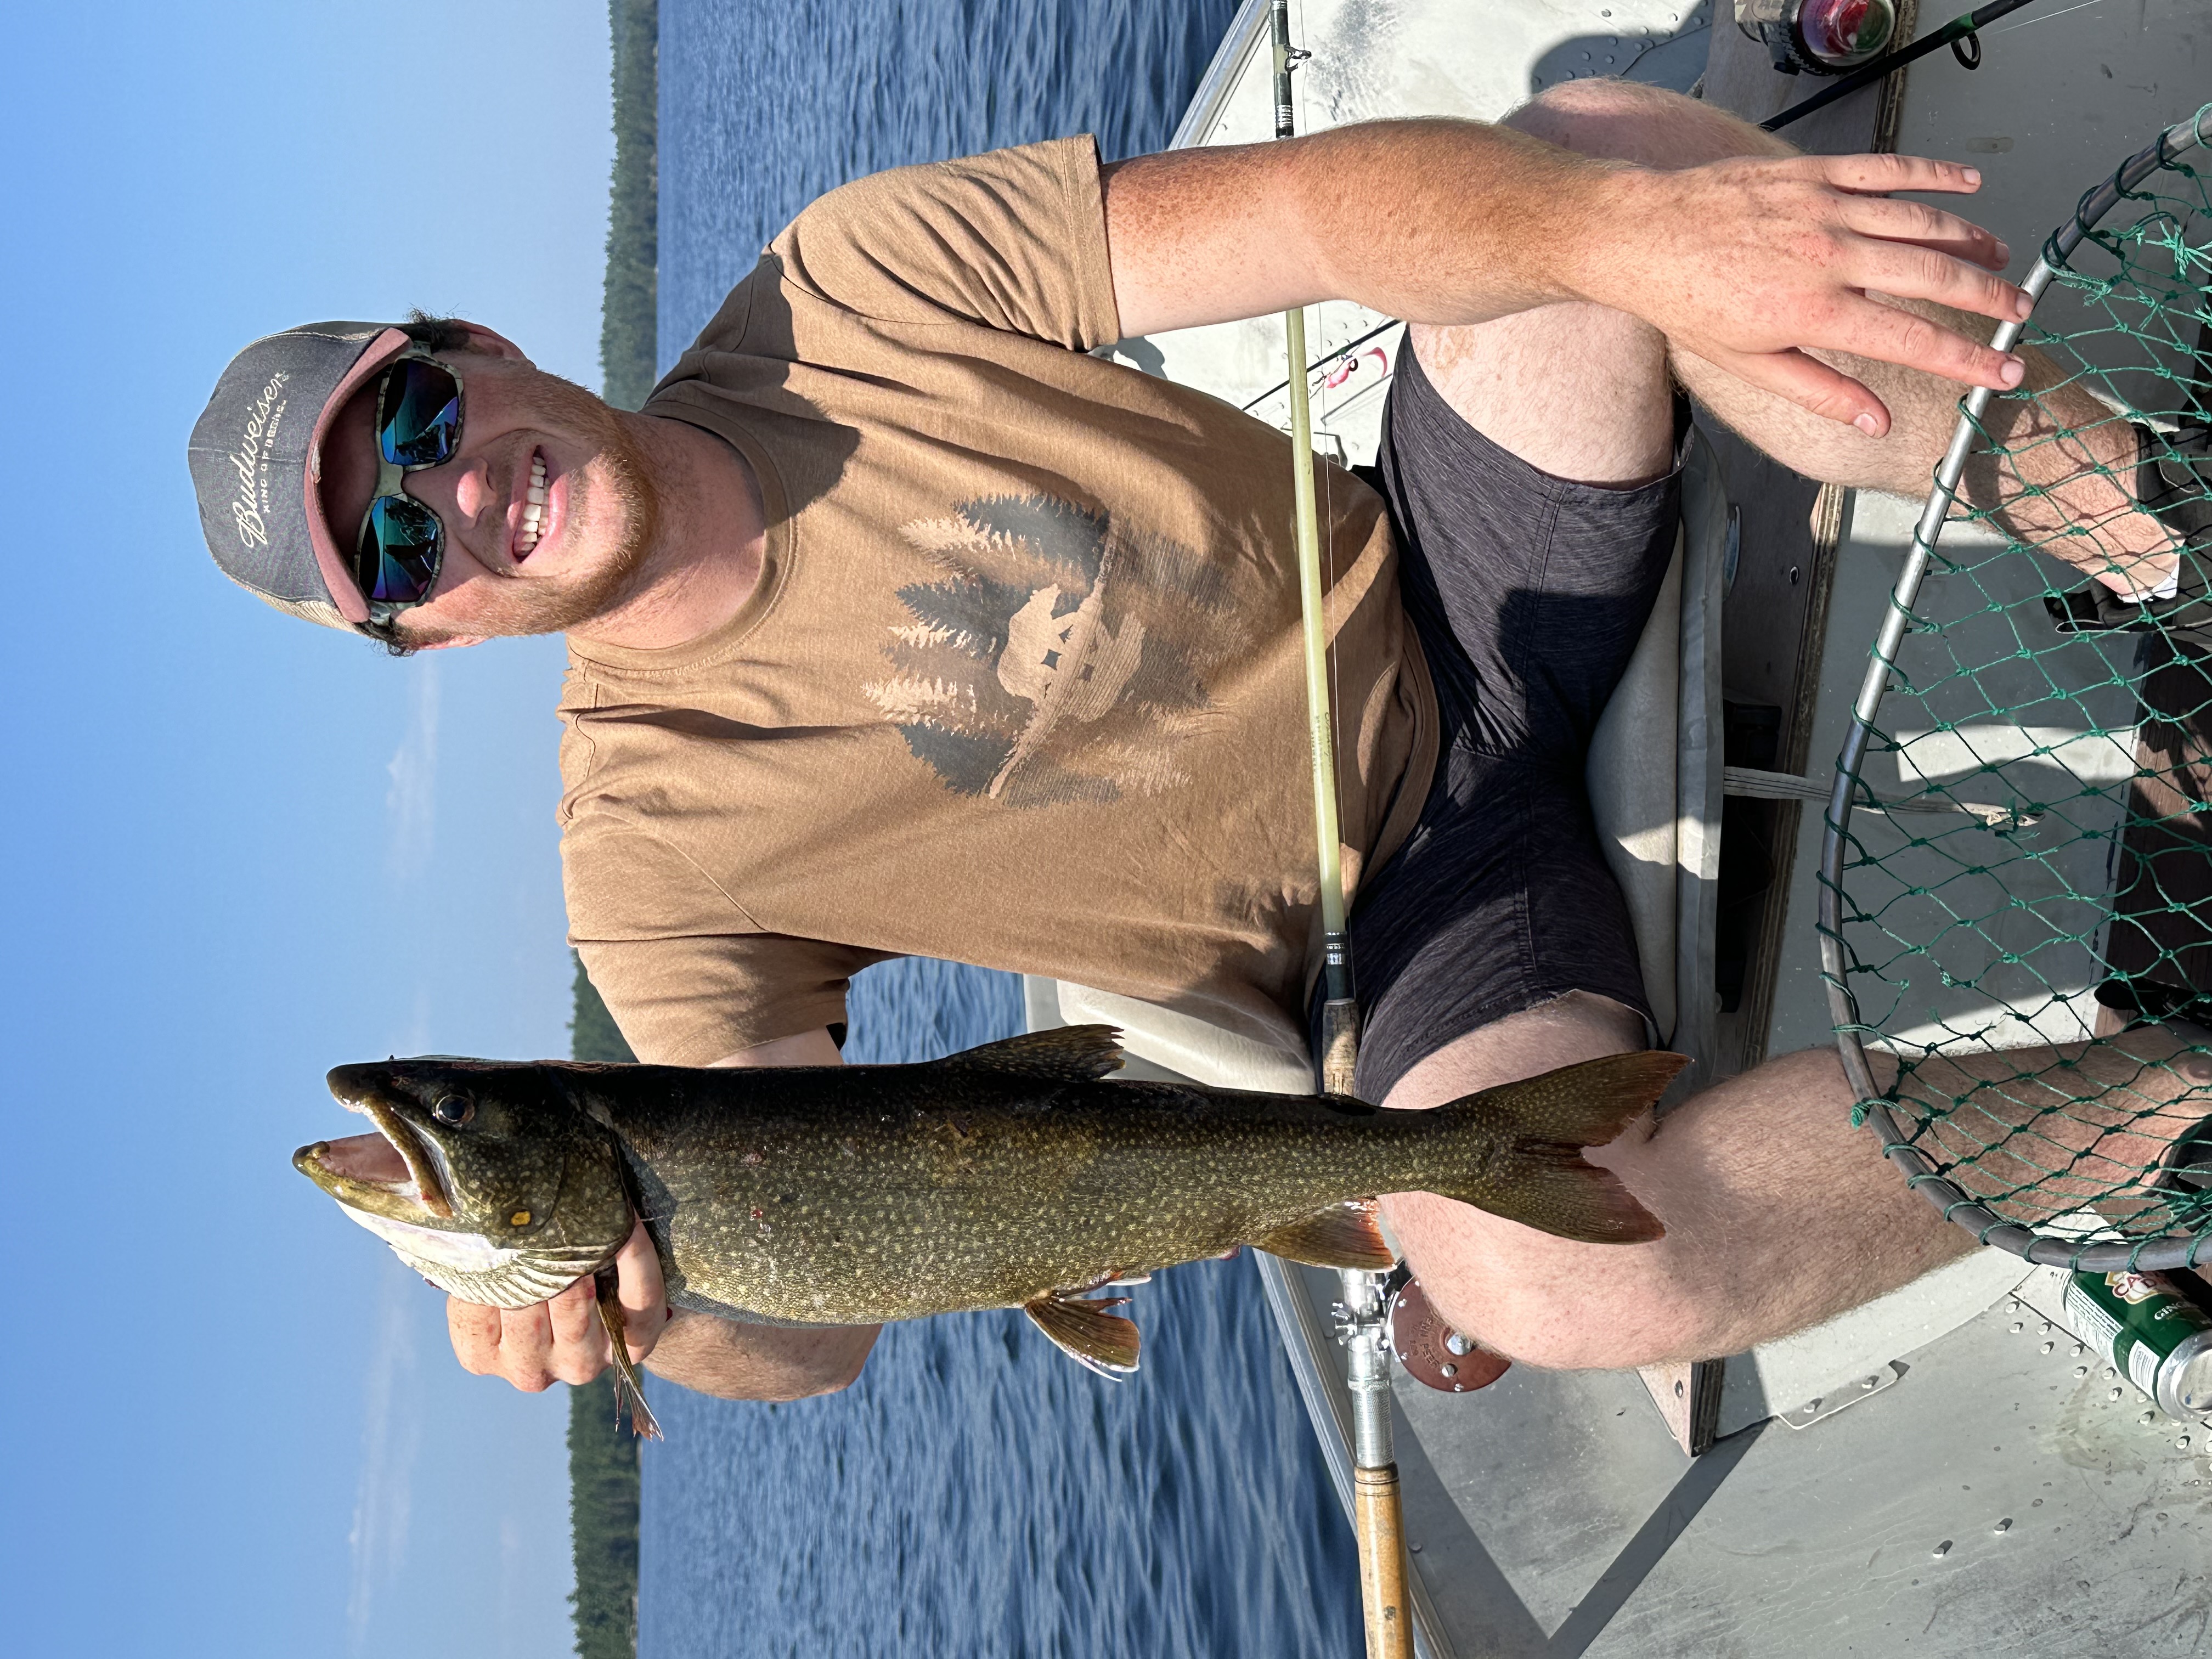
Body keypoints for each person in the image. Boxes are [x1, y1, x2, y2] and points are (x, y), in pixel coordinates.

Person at [190, 80, 2205, 1403]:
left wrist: (1617, 246)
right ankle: (2174, 1103)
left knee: (1607, 161)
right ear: (414, 634)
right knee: (1566, 1289)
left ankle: (2168, 547)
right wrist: (645, 1313)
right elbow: (798, 1342)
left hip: (1452, 572)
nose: (452, 496)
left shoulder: (845, 286)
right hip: (1406, 923)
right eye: (390, 542)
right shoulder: (647, 849)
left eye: (423, 416)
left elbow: (1330, 199)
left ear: (486, 346)